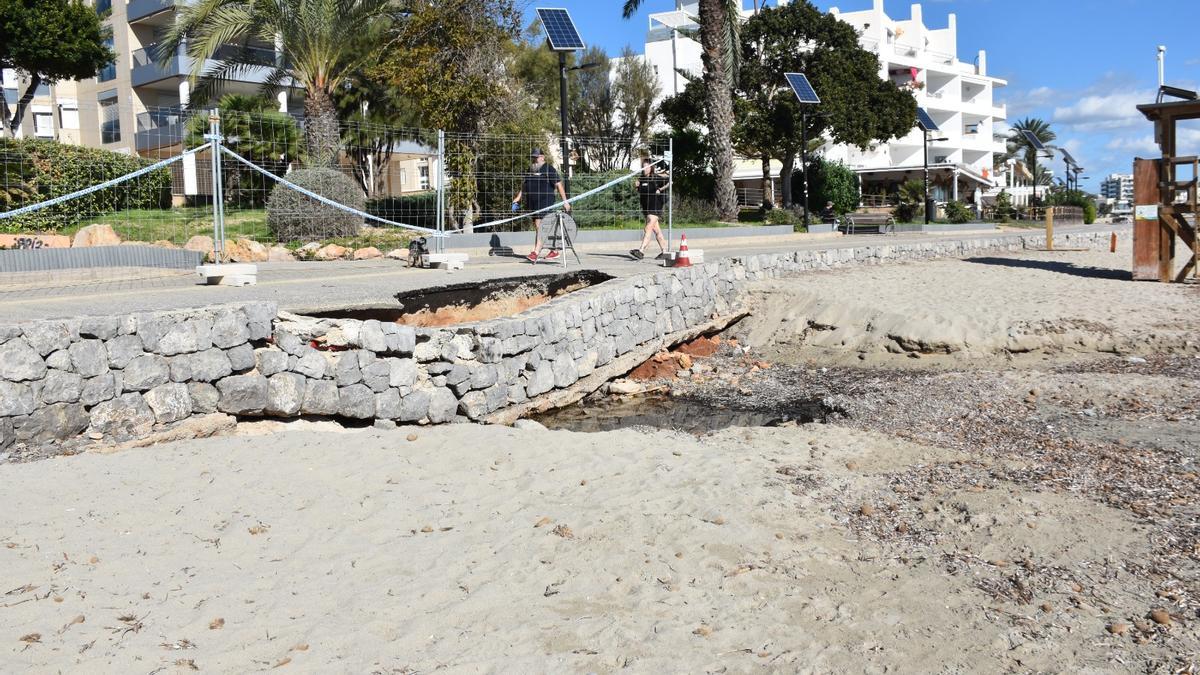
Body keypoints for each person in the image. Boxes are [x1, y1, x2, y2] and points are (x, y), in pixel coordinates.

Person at [511, 148, 570, 262]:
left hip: (545, 201)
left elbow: (559, 185)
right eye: (533, 157)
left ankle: (536, 252)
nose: (534, 160)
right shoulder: (530, 169)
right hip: (533, 202)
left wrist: (565, 201)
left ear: (542, 157)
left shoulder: (549, 169)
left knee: (539, 225)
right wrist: (517, 198)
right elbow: (524, 186)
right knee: (538, 226)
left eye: (536, 157)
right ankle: (554, 250)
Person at [630, 157, 670, 260]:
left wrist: (660, 190)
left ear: (651, 167)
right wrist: (637, 187)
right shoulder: (641, 179)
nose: (645, 169)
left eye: (647, 167)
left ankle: (641, 251)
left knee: (647, 228)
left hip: (656, 206)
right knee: (657, 231)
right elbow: (641, 192)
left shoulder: (656, 178)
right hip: (646, 208)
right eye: (643, 167)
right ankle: (664, 252)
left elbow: (670, 181)